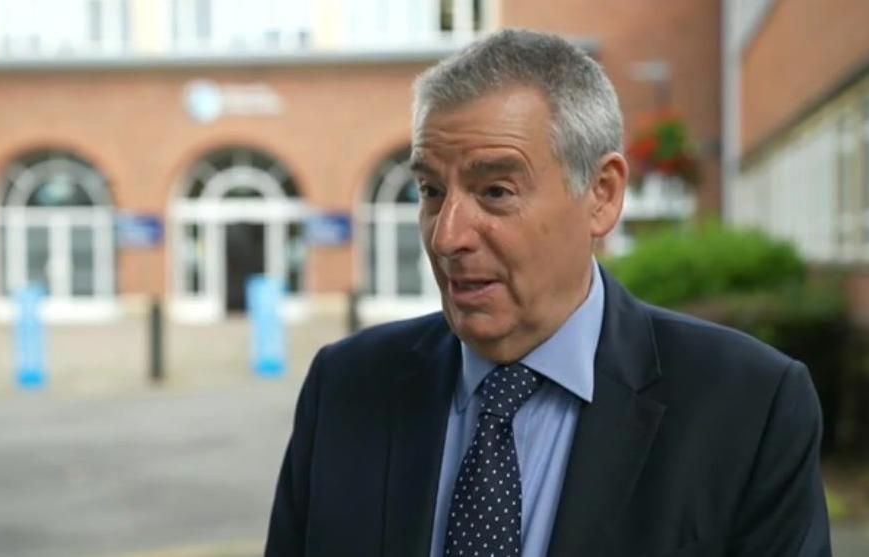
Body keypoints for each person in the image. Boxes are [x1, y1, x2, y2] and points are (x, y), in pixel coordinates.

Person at [265, 30, 830, 557]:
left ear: (602, 196)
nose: (447, 235)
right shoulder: (345, 387)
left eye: (496, 191)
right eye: (432, 190)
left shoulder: (749, 406)